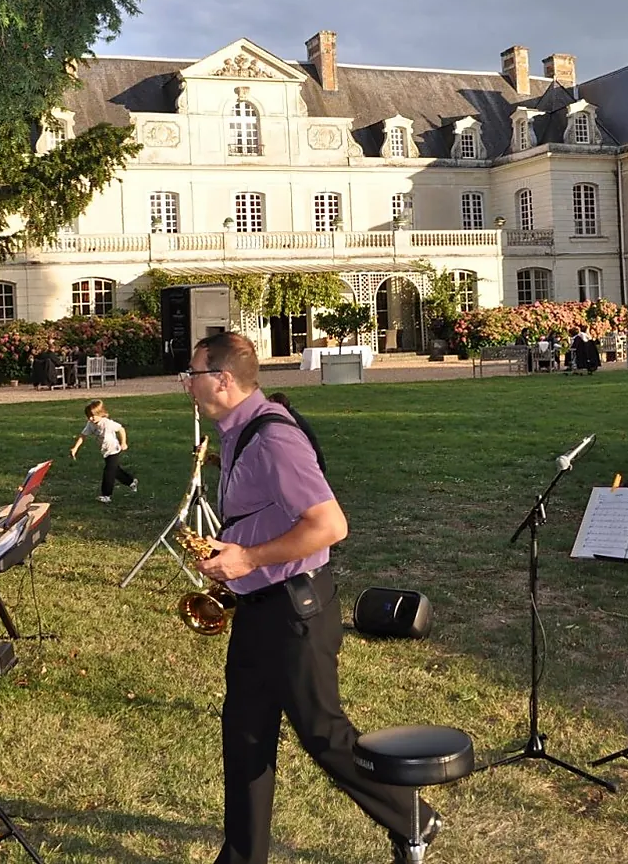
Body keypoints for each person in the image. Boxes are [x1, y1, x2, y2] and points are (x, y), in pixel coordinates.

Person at [183, 332, 438, 864]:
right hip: (258, 610)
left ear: (223, 380)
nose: (187, 384)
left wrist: (248, 559)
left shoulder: (274, 438)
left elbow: (330, 525)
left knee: (324, 736)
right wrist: (231, 557)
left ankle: (413, 817)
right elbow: (266, 512)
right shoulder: (236, 432)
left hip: (294, 613)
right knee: (246, 736)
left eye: (194, 374)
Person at [70, 399, 137, 503]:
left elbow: (121, 429)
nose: (91, 419)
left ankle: (106, 495)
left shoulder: (108, 423)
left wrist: (124, 443)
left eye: (93, 416)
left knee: (108, 472)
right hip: (105, 451)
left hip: (114, 449)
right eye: (88, 416)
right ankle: (131, 481)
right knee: (115, 471)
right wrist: (75, 448)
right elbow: (83, 436)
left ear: (101, 414)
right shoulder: (91, 424)